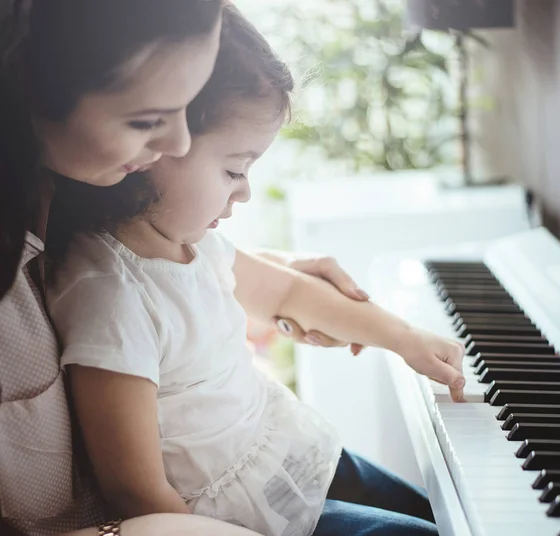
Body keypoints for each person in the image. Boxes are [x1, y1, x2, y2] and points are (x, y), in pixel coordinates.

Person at [45, 4, 466, 536]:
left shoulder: (196, 246)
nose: (243, 190)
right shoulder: (110, 295)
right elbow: (135, 490)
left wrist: (404, 339)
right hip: (241, 517)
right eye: (234, 169)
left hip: (291, 453)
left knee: (448, 516)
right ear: (155, 147)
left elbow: (289, 293)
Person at [0, 2, 371, 534]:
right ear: (33, 89)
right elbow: (134, 492)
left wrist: (251, 273)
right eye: (147, 120)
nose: (176, 145)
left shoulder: (76, 186)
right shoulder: (96, 290)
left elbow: (156, 271)